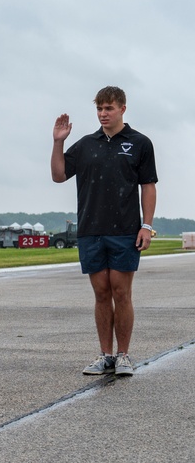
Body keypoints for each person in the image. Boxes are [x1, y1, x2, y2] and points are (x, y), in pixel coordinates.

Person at [50, 86, 158, 377]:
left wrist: (146, 225)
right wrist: (58, 142)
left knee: (121, 292)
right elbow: (59, 175)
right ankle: (105, 355)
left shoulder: (139, 143)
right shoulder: (86, 144)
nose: (103, 114)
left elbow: (148, 185)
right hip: (90, 229)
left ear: (123, 108)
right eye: (99, 109)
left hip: (124, 230)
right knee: (101, 293)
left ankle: (123, 355)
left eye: (108, 108)